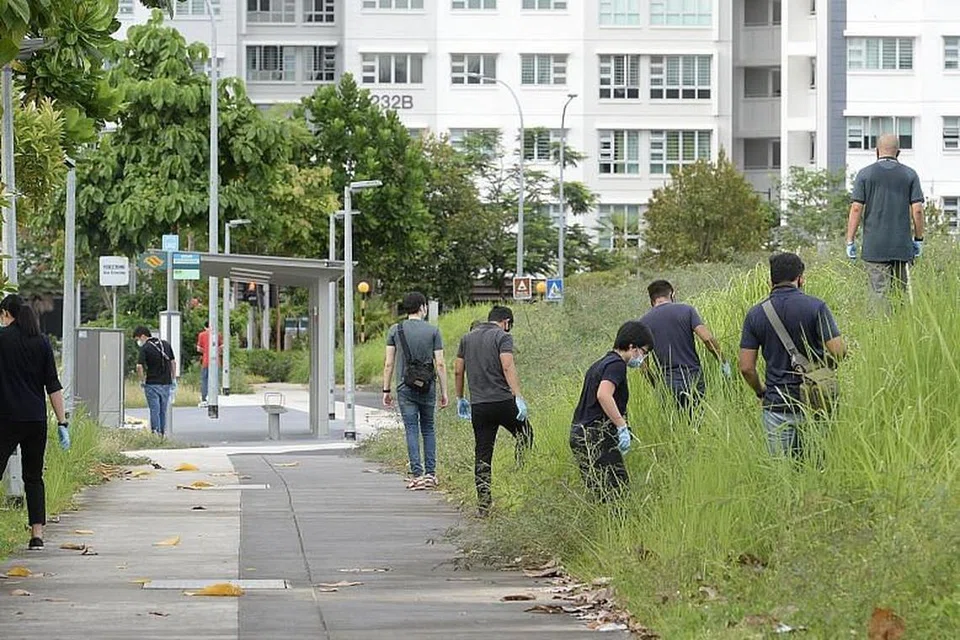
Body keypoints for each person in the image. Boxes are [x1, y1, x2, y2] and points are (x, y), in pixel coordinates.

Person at [738, 253, 846, 459]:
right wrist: (824, 368)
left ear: (770, 281)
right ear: (801, 278)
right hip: (816, 402)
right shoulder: (816, 307)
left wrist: (761, 392)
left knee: (783, 474)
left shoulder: (755, 314)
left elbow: (746, 368)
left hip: (777, 406)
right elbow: (838, 350)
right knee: (819, 469)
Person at [0, 294, 69, 551]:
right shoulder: (41, 342)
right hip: (35, 420)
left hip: (6, 419)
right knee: (34, 477)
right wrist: (62, 422)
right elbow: (53, 385)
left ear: (7, 313)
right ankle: (37, 535)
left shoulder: (2, 339)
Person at [454, 305, 532, 516]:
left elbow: (458, 370)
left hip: (479, 405)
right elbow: (507, 365)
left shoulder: (467, 338)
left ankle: (484, 504)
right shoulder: (502, 337)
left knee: (483, 453)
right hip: (503, 401)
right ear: (506, 322)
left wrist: (460, 398)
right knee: (526, 434)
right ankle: (522, 473)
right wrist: (518, 397)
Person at [569, 320, 654, 500]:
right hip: (596, 436)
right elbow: (604, 395)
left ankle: (609, 526)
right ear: (632, 347)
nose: (642, 358)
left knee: (602, 494)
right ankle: (622, 526)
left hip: (579, 436)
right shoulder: (616, 365)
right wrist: (621, 426)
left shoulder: (599, 364)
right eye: (643, 352)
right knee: (618, 494)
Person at [845, 133, 925, 307]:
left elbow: (856, 208)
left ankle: (878, 332)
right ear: (898, 152)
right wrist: (918, 240)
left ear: (876, 151)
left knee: (877, 294)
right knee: (900, 293)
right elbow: (917, 210)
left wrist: (850, 240)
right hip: (902, 246)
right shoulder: (910, 175)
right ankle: (900, 330)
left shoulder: (865, 175)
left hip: (874, 246)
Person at [382, 292, 449, 490]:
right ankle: (430, 473)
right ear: (422, 307)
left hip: (405, 387)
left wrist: (386, 390)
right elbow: (441, 364)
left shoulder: (395, 330)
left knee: (411, 429)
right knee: (428, 428)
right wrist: (444, 392)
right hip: (428, 387)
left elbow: (389, 363)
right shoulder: (433, 331)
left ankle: (417, 474)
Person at [641, 280, 729, 416]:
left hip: (667, 383)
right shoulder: (687, 310)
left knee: (675, 427)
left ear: (651, 300)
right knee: (698, 422)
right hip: (693, 378)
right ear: (672, 294)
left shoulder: (644, 322)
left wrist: (657, 384)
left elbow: (643, 366)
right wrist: (724, 362)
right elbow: (707, 339)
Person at [134, 326, 177, 437]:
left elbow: (139, 366)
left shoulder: (145, 348)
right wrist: (173, 378)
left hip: (152, 383)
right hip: (166, 383)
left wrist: (142, 380)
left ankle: (155, 432)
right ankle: (162, 433)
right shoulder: (165, 344)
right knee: (163, 410)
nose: (139, 342)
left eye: (138, 339)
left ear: (143, 336)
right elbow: (173, 362)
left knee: (154, 409)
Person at [195, 321, 221, 408]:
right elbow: (222, 347)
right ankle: (214, 398)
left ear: (205, 327)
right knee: (215, 380)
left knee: (204, 380)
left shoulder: (202, 335)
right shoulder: (218, 334)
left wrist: (205, 351)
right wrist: (215, 351)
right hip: (216, 361)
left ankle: (204, 398)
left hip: (206, 361)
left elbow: (198, 349)